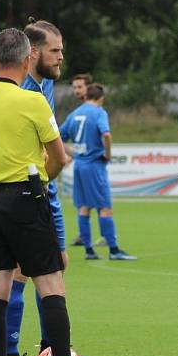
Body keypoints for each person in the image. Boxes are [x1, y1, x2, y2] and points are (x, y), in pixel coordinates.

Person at [0, 27, 103, 356]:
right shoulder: (33, 101)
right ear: (27, 60)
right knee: (51, 282)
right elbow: (60, 156)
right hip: (25, 195)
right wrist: (43, 178)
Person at [3, 18, 94, 356]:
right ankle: (11, 355)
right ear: (34, 52)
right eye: (55, 51)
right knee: (22, 271)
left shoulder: (46, 86)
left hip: (45, 189)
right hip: (25, 190)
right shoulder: (20, 89)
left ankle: (52, 348)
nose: (61, 57)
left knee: (54, 265)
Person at [60, 83, 136, 261]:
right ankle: (114, 250)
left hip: (79, 166)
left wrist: (75, 154)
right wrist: (107, 154)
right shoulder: (100, 113)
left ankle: (89, 251)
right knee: (105, 207)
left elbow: (58, 136)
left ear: (86, 97)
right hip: (95, 165)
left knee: (84, 207)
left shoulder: (75, 113)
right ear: (101, 98)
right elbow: (107, 135)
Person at [69, 74, 106, 248]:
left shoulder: (93, 110)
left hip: (90, 162)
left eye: (80, 87)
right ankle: (87, 237)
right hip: (87, 162)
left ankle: (103, 236)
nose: (77, 90)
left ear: (88, 88)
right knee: (87, 203)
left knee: (95, 202)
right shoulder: (82, 111)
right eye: (74, 87)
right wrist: (73, 152)